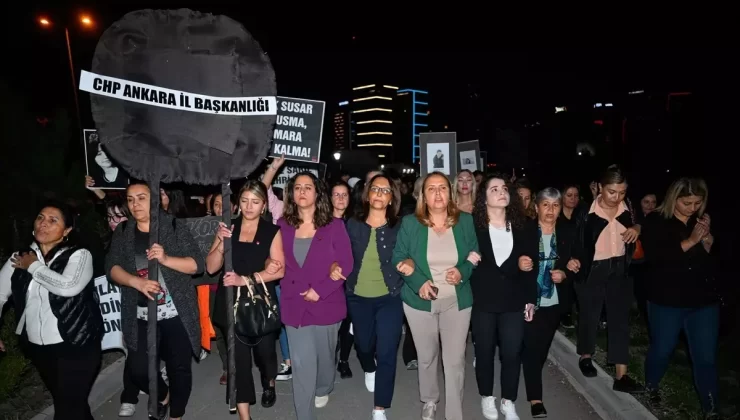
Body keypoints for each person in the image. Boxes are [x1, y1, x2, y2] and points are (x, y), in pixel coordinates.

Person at [106, 181, 205, 420]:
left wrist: (166, 258)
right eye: (130, 199)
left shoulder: (172, 225)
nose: (135, 204)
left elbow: (196, 265)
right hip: (140, 315)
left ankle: (176, 415)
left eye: (141, 197)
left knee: (179, 368)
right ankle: (162, 396)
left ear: (154, 200)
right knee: (139, 370)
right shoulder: (123, 231)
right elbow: (112, 268)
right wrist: (136, 282)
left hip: (176, 313)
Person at [0, 202, 103, 420]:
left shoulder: (79, 255)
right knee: (70, 403)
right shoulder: (20, 257)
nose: (43, 224)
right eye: (40, 218)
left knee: (67, 409)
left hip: (77, 344)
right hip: (38, 348)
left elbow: (68, 287)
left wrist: (34, 267)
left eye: (53, 220)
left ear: (66, 231)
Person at [393, 171, 478, 420]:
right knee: (427, 357)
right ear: (423, 196)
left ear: (450, 193)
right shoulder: (410, 223)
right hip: (419, 303)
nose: (438, 193)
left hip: (457, 301)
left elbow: (475, 253)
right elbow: (399, 257)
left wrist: (463, 271)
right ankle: (429, 400)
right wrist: (418, 281)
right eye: (432, 189)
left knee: (454, 361)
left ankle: (454, 413)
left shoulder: (465, 221)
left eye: (442, 188)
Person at [642, 178, 722, 418]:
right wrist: (691, 241)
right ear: (674, 199)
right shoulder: (656, 221)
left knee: (706, 357)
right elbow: (657, 260)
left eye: (698, 202)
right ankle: (651, 385)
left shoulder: (698, 222)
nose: (693, 207)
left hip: (703, 301)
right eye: (687, 202)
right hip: (666, 300)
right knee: (662, 349)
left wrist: (708, 242)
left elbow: (709, 262)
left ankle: (711, 407)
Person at [277, 172, 353, 420]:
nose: (302, 192)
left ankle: (324, 386)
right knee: (301, 367)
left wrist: (320, 290)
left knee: (325, 357)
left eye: (307, 187)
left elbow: (346, 264)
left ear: (317, 193)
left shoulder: (334, 225)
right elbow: (273, 257)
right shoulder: (282, 225)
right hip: (294, 304)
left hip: (327, 304)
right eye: (297, 187)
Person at [206, 180, 285, 419]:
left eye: (256, 202)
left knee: (266, 355)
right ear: (238, 203)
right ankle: (244, 415)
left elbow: (279, 271)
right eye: (245, 201)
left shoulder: (271, 231)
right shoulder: (227, 227)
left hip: (260, 304)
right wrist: (220, 241)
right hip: (230, 304)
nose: (249, 206)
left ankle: (269, 381)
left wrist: (246, 280)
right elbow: (211, 268)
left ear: (263, 206)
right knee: (238, 362)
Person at [573, 165, 643, 393]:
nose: (617, 197)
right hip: (593, 269)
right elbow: (575, 240)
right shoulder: (586, 211)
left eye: (622, 192)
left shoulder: (628, 208)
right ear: (601, 188)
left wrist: (637, 227)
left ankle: (622, 376)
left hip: (620, 268)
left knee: (620, 319)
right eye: (612, 191)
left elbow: (642, 222)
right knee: (590, 315)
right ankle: (586, 355)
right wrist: (571, 261)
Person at [470, 173, 532, 420]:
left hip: (513, 300)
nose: (501, 192)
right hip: (483, 300)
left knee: (512, 352)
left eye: (504, 188)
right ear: (484, 198)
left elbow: (530, 264)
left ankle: (508, 400)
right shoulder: (472, 226)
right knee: (484, 352)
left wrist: (530, 299)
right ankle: (487, 396)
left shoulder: (523, 225)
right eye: (494, 189)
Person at [344, 174, 404, 420]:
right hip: (357, 296)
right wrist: (334, 265)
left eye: (385, 190)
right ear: (367, 195)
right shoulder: (352, 224)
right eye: (375, 189)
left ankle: (380, 406)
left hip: (390, 297)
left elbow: (409, 252)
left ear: (391, 199)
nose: (379, 193)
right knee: (364, 344)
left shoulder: (400, 226)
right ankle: (369, 366)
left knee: (388, 350)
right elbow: (338, 253)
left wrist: (409, 261)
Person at [518, 187, 580, 418]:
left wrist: (565, 272)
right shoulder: (523, 231)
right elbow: (509, 259)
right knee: (534, 349)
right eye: (546, 205)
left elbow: (577, 260)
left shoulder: (567, 232)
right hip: (529, 300)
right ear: (536, 207)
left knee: (541, 348)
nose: (551, 210)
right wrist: (519, 263)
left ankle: (530, 368)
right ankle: (536, 399)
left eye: (555, 205)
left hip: (554, 300)